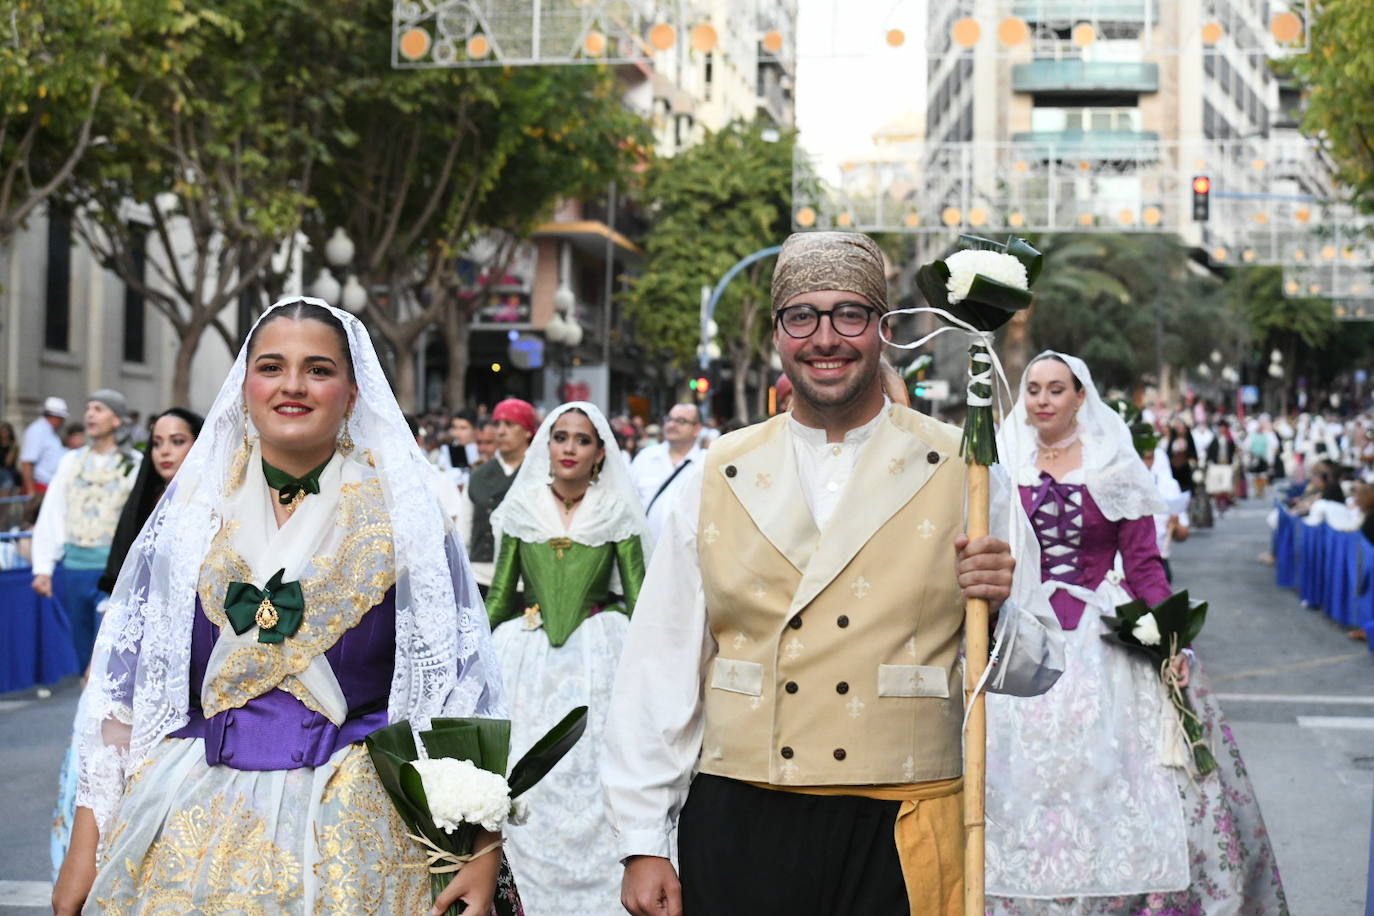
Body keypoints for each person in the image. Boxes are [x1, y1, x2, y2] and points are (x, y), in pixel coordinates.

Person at [604, 231, 1064, 916]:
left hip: (903, 828)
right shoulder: (718, 472)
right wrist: (643, 841)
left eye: (849, 314)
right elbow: (658, 666)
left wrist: (993, 611)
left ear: (882, 330)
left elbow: (1041, 665)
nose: (826, 338)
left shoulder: (964, 469)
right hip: (742, 823)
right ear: (777, 335)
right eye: (802, 316)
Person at [51, 298, 515, 916]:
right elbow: (125, 699)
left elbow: (461, 696)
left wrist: (478, 854)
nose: (293, 385)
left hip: (361, 825)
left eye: (319, 370)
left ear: (353, 393)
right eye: (272, 366)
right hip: (193, 813)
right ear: (244, 386)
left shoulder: (405, 523)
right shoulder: (193, 520)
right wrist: (86, 847)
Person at [985, 351, 1288, 915]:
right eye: (1032, 389)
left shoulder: (1114, 464)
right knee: (1014, 776)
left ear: (1081, 396)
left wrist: (1173, 639)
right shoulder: (1004, 462)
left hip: (1100, 635)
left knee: (1115, 775)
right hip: (1024, 633)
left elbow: (1144, 563)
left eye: (1056, 389)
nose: (1043, 400)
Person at [485, 401, 648, 915]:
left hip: (599, 653)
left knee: (595, 768)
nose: (569, 448)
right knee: (528, 775)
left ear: (600, 453)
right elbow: (500, 593)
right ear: (547, 446)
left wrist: (650, 660)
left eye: (582, 440)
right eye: (561, 438)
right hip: (526, 656)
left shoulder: (616, 508)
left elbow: (639, 593)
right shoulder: (522, 506)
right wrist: (471, 656)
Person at [49, 408, 203, 877]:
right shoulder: (144, 503)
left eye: (178, 441)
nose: (165, 452)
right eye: (158, 442)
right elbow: (123, 593)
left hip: (182, 670)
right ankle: (80, 865)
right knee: (97, 762)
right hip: (129, 659)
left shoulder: (214, 502)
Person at [30, 390, 141, 669]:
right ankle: (87, 706)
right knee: (82, 649)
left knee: (109, 652)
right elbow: (54, 512)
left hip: (115, 572)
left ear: (116, 420)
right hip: (76, 568)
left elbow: (140, 518)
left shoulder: (133, 464)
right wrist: (43, 567)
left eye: (99, 409)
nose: (90, 414)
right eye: (88, 408)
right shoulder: (70, 461)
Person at [462, 398, 536, 573]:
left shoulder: (542, 473)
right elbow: (463, 532)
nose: (501, 431)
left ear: (527, 431)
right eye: (497, 424)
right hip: (481, 573)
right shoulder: (478, 476)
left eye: (510, 424)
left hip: (527, 576)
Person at [629, 402, 703, 542]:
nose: (671, 425)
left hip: (690, 557)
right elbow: (628, 501)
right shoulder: (645, 457)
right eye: (669, 419)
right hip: (647, 554)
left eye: (681, 421)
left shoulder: (706, 462)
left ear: (697, 429)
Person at [19, 396, 68, 496]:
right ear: (54, 417)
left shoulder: (49, 432)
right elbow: (26, 463)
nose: (62, 422)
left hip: (50, 486)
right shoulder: (37, 431)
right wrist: (31, 491)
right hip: (40, 487)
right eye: (61, 419)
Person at [437, 408, 480, 491]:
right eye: (455, 428)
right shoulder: (445, 452)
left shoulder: (481, 450)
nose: (457, 433)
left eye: (463, 428)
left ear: (474, 430)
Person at [0, 421, 19, 492]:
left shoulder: (13, 446)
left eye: (6, 432)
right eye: (2, 431)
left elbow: (9, 462)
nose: (4, 434)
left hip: (7, 472)